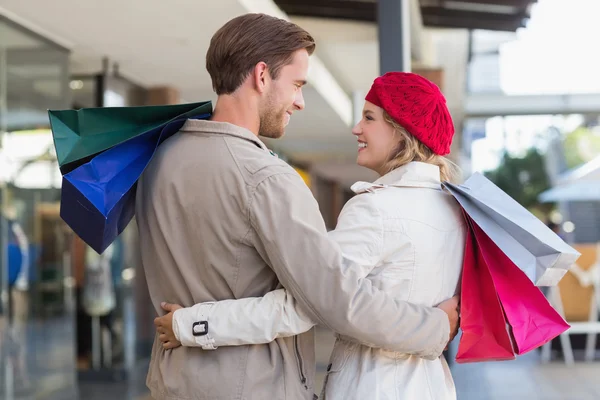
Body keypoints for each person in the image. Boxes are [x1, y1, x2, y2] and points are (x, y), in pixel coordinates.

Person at [137, 13, 459, 400]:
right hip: (252, 388)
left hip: (169, 382)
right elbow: (331, 299)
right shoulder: (269, 178)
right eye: (297, 84)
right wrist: (436, 328)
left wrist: (188, 324)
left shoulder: (156, 160)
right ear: (261, 76)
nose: (301, 101)